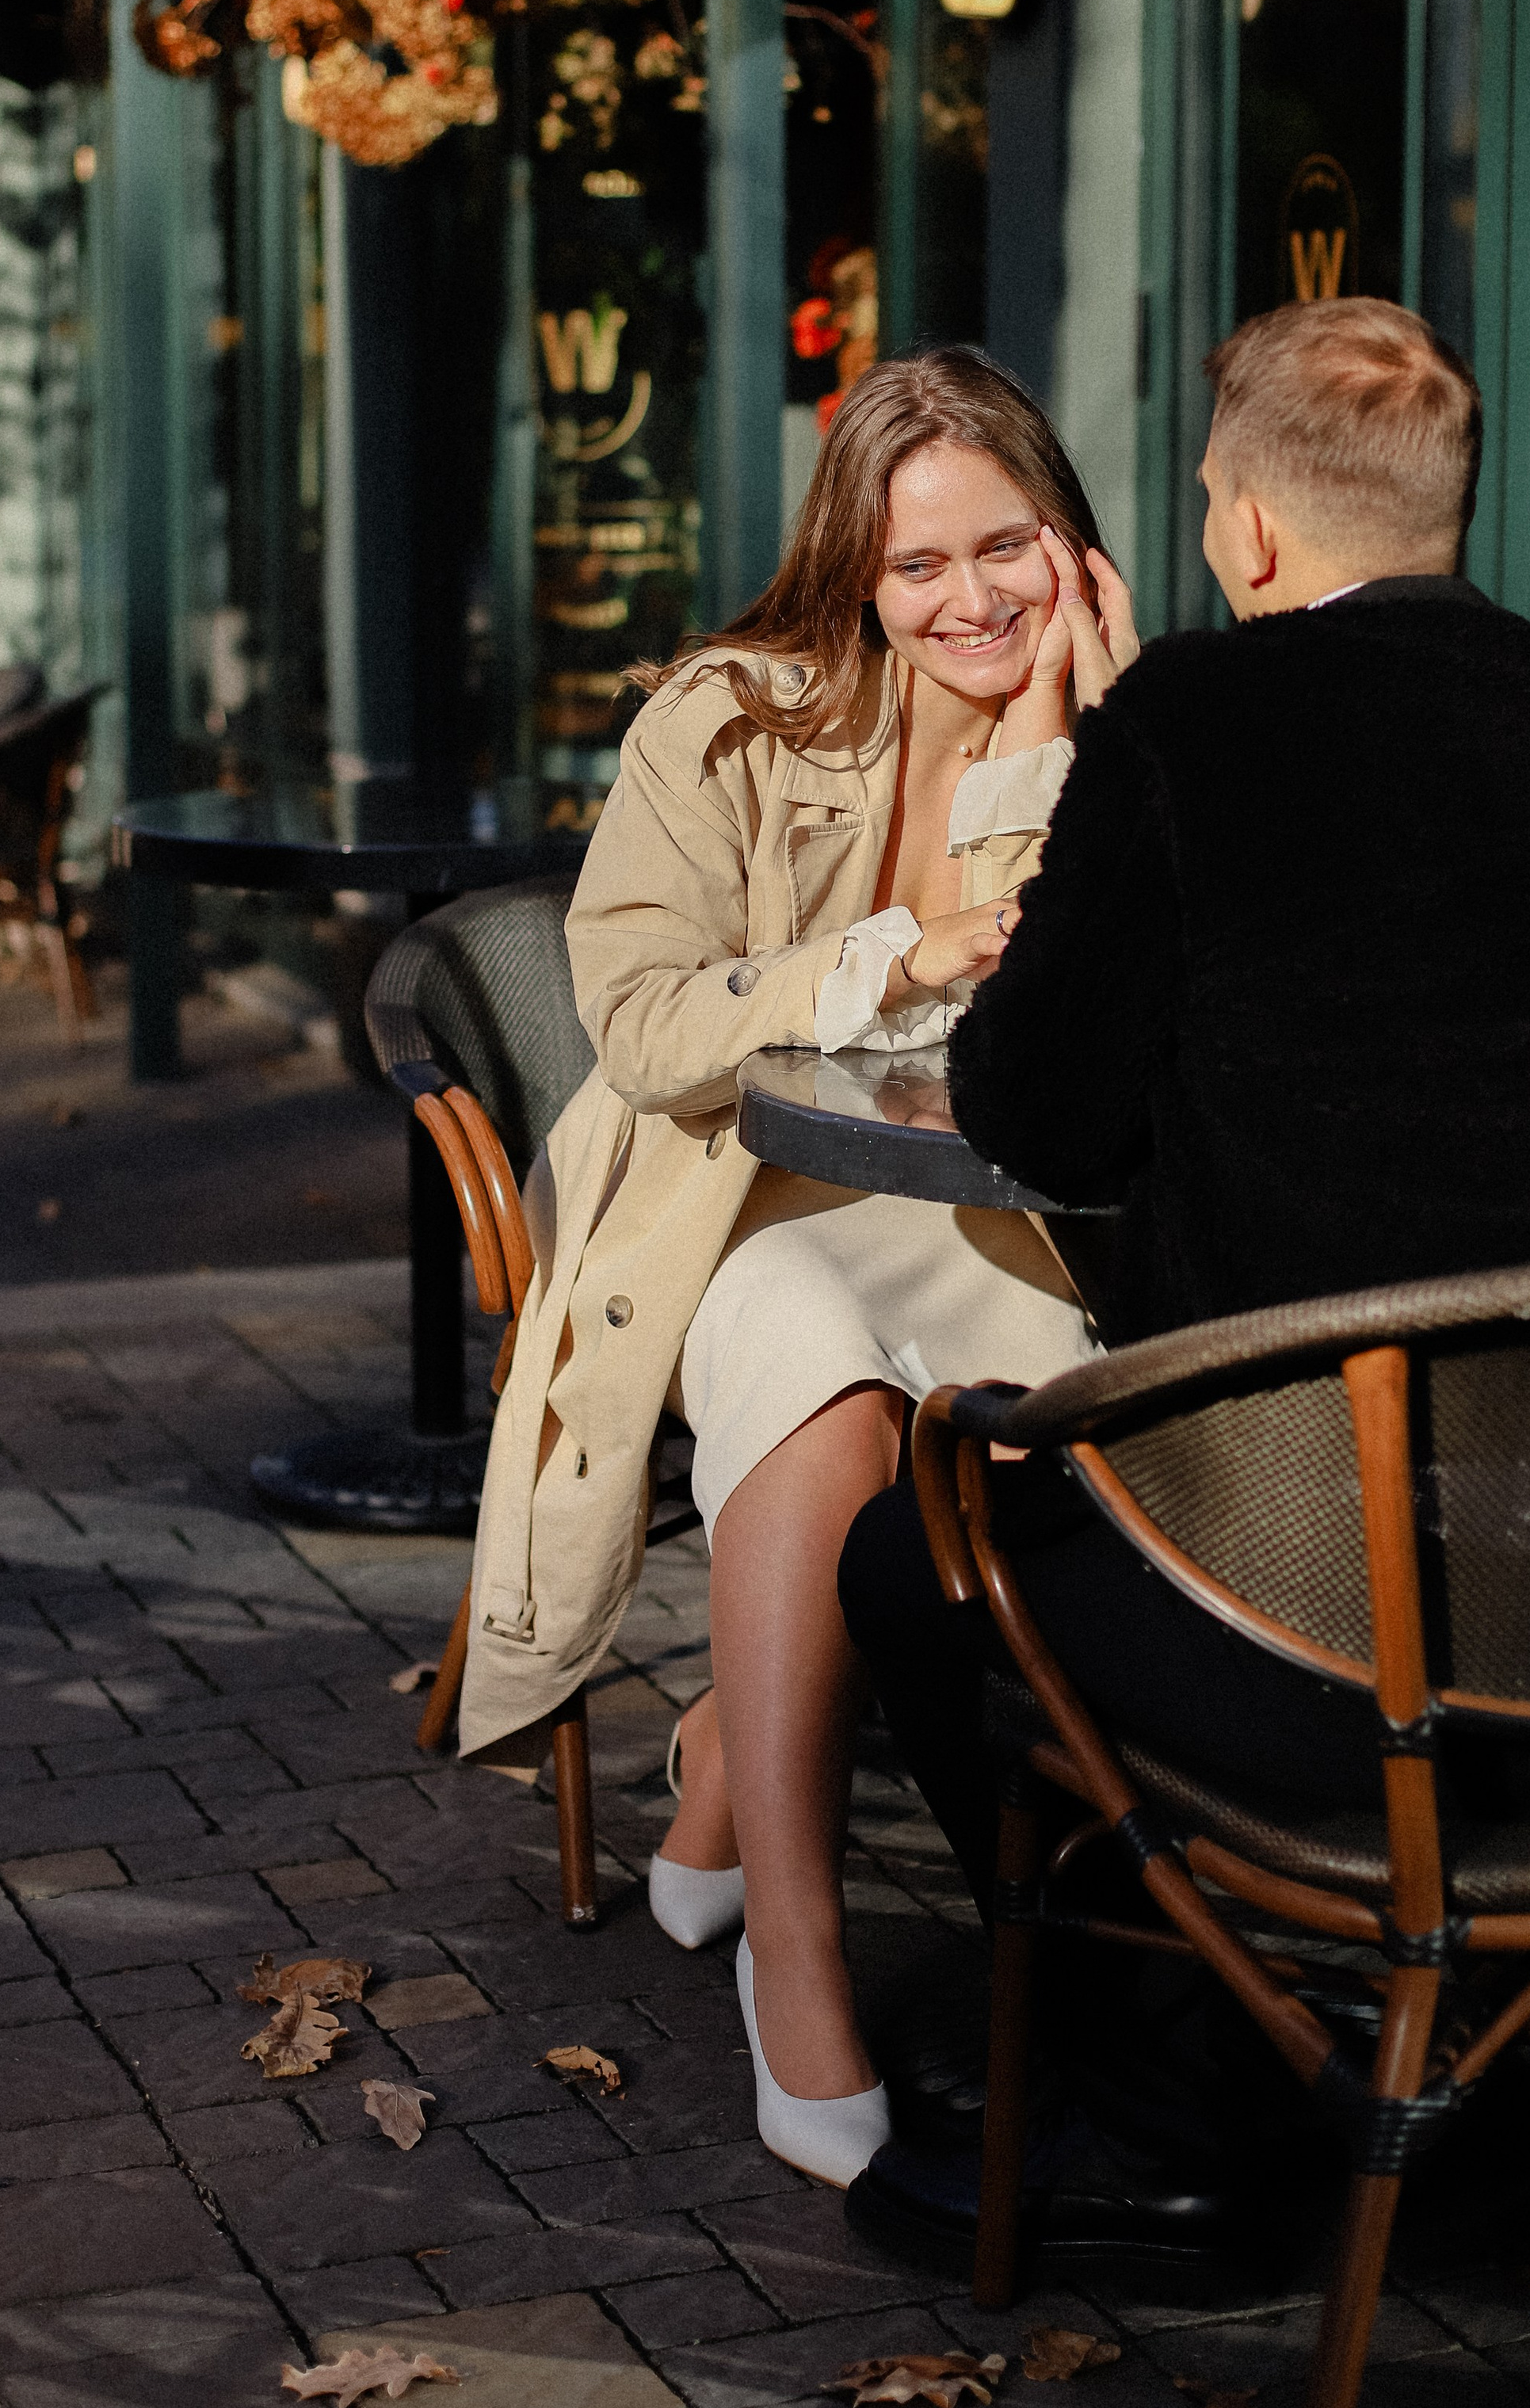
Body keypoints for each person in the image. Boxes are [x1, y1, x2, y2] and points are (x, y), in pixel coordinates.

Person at [839, 295, 1530, 2261]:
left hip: (1317, 1620)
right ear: (1445, 509)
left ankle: (1168, 2100)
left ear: (1243, 531)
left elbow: (1038, 1110)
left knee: (918, 1555)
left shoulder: (1192, 724)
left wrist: (1107, 791)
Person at [453, 346, 1132, 2186]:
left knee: (1074, 1420)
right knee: (819, 1368)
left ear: (1071, 545)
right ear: (855, 573)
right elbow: (647, 1019)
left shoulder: (1120, 721)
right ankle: (800, 1946)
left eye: (1010, 548)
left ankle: (730, 1757)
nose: (971, 601)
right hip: (727, 1203)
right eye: (919, 568)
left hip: (988, 1214)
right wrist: (900, 951)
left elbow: (1129, 1001)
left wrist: (1095, 726)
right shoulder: (729, 717)